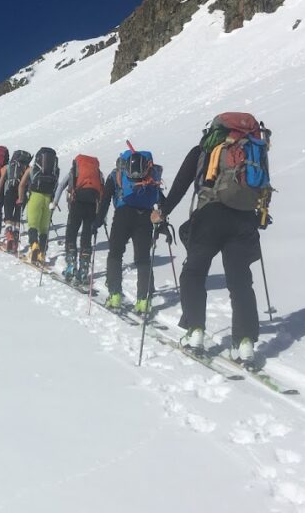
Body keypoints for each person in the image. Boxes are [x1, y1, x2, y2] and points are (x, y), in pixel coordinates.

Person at [153, 112, 271, 362]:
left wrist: (162, 212)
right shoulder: (252, 150)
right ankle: (245, 343)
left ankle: (195, 331)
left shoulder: (203, 150)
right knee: (240, 282)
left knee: (194, 273)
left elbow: (181, 185)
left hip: (210, 216)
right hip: (244, 219)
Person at [96, 149, 162, 313]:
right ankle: (143, 301)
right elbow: (159, 198)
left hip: (123, 215)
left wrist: (98, 220)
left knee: (115, 254)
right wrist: (162, 220)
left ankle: (115, 295)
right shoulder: (149, 176)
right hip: (146, 216)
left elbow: (105, 199)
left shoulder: (115, 174)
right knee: (143, 259)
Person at [53, 154, 104, 284]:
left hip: (77, 203)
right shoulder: (98, 173)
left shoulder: (74, 170)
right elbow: (102, 192)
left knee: (71, 234)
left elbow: (61, 185)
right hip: (92, 206)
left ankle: (71, 267)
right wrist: (101, 215)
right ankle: (83, 271)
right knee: (86, 237)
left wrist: (55, 202)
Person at [17, 147, 59, 264]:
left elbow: (22, 185)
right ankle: (42, 253)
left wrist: (21, 199)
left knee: (33, 224)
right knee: (44, 229)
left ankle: (34, 246)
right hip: (48, 199)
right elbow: (56, 186)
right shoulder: (55, 171)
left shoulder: (32, 169)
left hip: (35, 196)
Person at [0, 150, 32, 252]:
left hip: (10, 191)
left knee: (8, 215)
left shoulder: (8, 166)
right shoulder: (27, 167)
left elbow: (1, 180)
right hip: (22, 193)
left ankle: (9, 236)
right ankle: (15, 241)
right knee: (17, 216)